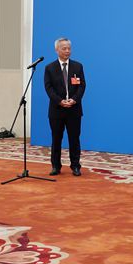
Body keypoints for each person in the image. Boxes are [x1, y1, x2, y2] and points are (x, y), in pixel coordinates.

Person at [44, 38, 87, 176]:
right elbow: (49, 88)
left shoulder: (78, 66)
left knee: (74, 139)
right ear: (57, 50)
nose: (67, 51)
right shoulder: (50, 68)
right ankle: (55, 166)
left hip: (74, 109)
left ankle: (75, 166)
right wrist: (60, 101)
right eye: (64, 48)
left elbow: (82, 86)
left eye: (69, 48)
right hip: (57, 110)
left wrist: (74, 100)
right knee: (56, 139)